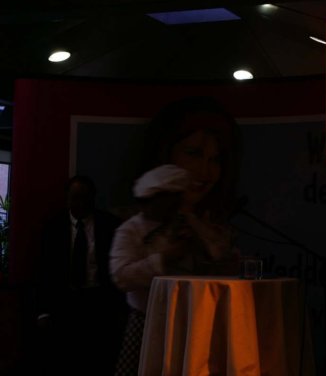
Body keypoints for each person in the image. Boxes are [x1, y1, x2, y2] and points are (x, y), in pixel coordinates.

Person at [110, 96, 243, 375]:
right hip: (146, 320)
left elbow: (220, 254)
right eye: (168, 198)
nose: (174, 204)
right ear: (151, 199)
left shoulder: (190, 222)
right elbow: (121, 276)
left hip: (190, 320)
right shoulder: (130, 229)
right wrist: (163, 259)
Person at [34, 174, 129, 376]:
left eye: (85, 197)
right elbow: (44, 271)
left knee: (98, 359)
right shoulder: (53, 227)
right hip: (64, 301)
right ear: (67, 198)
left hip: (99, 301)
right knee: (66, 359)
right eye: (75, 197)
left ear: (93, 198)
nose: (80, 202)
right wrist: (43, 310)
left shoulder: (110, 225)